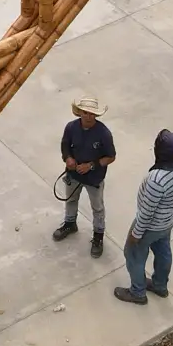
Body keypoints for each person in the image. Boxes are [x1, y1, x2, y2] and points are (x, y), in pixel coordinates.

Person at [113, 129, 173, 305]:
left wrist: (137, 234)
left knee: (133, 254)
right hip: (169, 219)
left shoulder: (157, 179)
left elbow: (147, 212)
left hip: (152, 226)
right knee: (163, 251)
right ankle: (160, 285)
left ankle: (137, 292)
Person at [53, 97, 116, 257]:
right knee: (71, 200)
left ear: (96, 115)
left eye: (91, 114)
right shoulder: (71, 127)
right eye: (85, 113)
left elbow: (111, 156)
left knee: (97, 208)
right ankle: (70, 223)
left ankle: (98, 236)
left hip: (94, 179)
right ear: (79, 112)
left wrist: (91, 165)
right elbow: (64, 145)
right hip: (73, 174)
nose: (88, 116)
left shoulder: (104, 133)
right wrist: (68, 158)